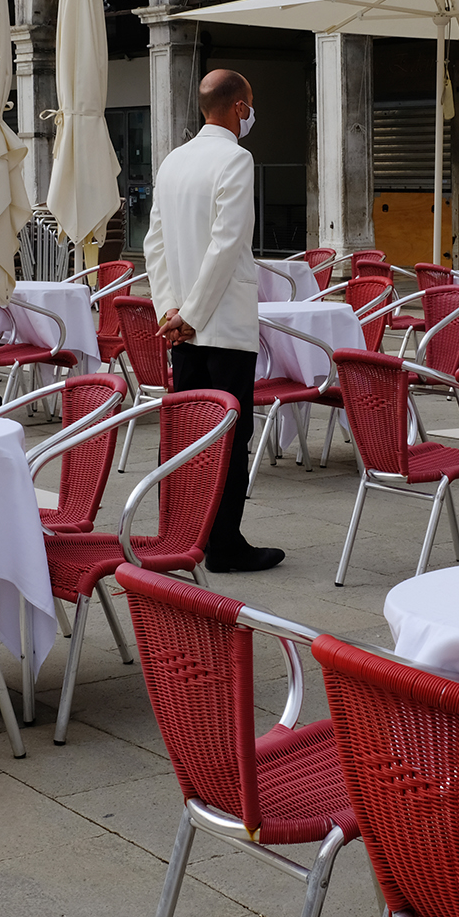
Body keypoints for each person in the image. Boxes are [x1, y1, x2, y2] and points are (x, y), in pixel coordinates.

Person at [143, 68, 281, 573]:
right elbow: (227, 246)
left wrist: (170, 312)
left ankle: (177, 532)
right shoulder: (236, 159)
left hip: (183, 324)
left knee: (185, 433)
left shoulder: (174, 161)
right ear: (239, 107)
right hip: (220, 326)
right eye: (251, 105)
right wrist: (194, 315)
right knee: (229, 433)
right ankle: (224, 543)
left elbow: (152, 243)